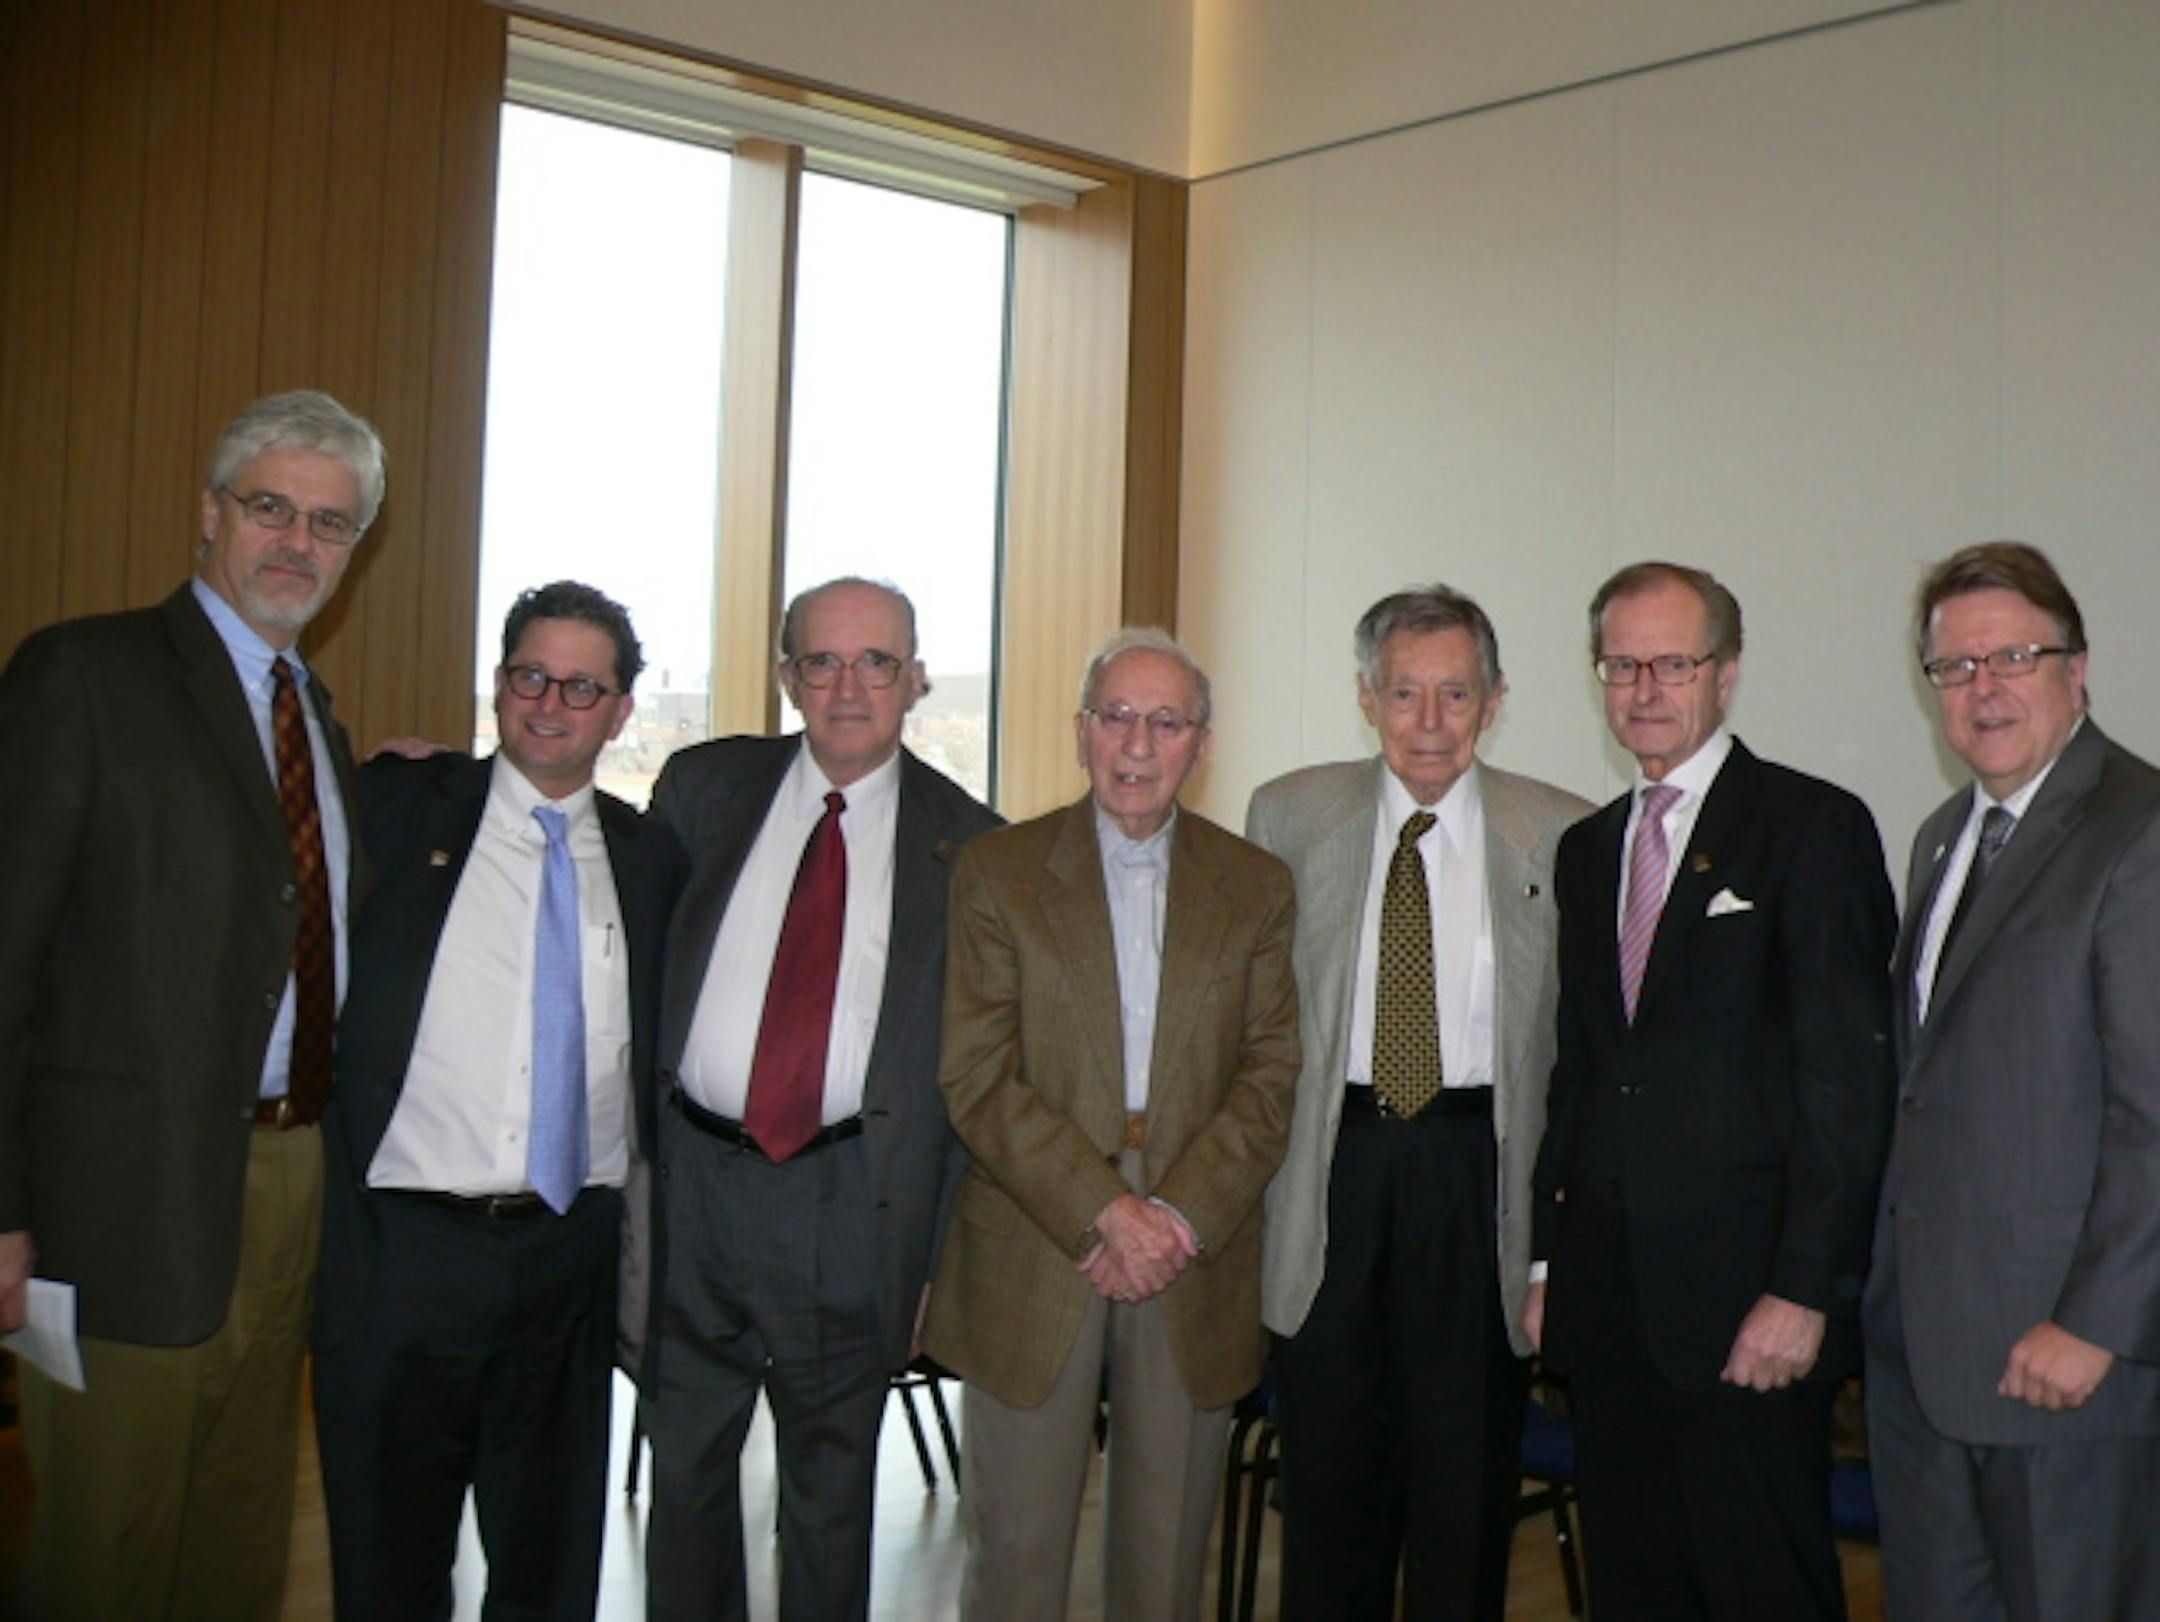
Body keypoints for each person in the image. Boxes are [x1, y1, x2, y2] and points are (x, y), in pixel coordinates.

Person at [0, 389, 380, 1619]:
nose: (298, 541)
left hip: (289, 1178)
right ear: (210, 511)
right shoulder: (84, 673)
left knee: (239, 1536)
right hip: (119, 1201)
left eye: (330, 522)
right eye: (272, 506)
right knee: (105, 1555)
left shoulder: (316, 718)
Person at [1525, 560, 1896, 1621]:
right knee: (1635, 1588)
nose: (1645, 688)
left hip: (1750, 1312)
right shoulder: (1588, 850)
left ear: (1726, 674)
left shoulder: (1810, 826)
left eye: (1673, 663)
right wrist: (1550, 1260)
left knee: (1760, 1585)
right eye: (1622, 664)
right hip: (1611, 1309)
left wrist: (1806, 1291)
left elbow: (1849, 1083)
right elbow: (1580, 1072)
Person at [311, 581, 685, 1618]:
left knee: (548, 1570)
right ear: (498, 683)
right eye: (531, 676)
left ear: (620, 710)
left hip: (569, 1261)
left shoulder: (651, 860)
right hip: (401, 1257)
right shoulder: (393, 807)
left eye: (582, 686)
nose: (551, 704)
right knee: (389, 1568)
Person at [924, 627, 1300, 1622]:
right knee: (1015, 1557)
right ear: (1082, 729)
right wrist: (1106, 1208)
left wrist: (1172, 1214)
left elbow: (1270, 1074)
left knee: (1165, 1559)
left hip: (1192, 1241)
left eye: (1166, 722)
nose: (1138, 744)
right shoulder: (998, 871)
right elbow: (977, 1073)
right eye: (1118, 716)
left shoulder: (1256, 884)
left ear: (1201, 743)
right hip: (1038, 1230)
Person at [643, 576, 1001, 1622]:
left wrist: (939, 1260)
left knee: (832, 1496)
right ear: (786, 675)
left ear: (916, 678)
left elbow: (977, 1075)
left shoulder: (975, 847)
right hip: (694, 1186)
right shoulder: (703, 788)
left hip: (857, 1201)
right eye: (823, 661)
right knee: (686, 1478)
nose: (849, 687)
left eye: (876, 662)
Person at [1246, 585, 1589, 1620]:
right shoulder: (1288, 816)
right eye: (1404, 693)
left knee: (1465, 1486)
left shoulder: (1563, 830)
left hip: (1476, 1177)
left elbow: (1574, 1060)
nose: (1429, 721)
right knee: (1328, 1486)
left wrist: (1551, 1250)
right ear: (1366, 697)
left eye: (1456, 693)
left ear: (1496, 700)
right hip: (1332, 1171)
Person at [1864, 541, 2160, 1621]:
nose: (1983, 687)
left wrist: (2098, 1323)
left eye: (2013, 658)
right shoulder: (1944, 837)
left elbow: (2153, 1114)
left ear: (2077, 669)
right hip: (1926, 1356)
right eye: (1955, 666)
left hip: (2065, 1365)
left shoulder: (2140, 828)